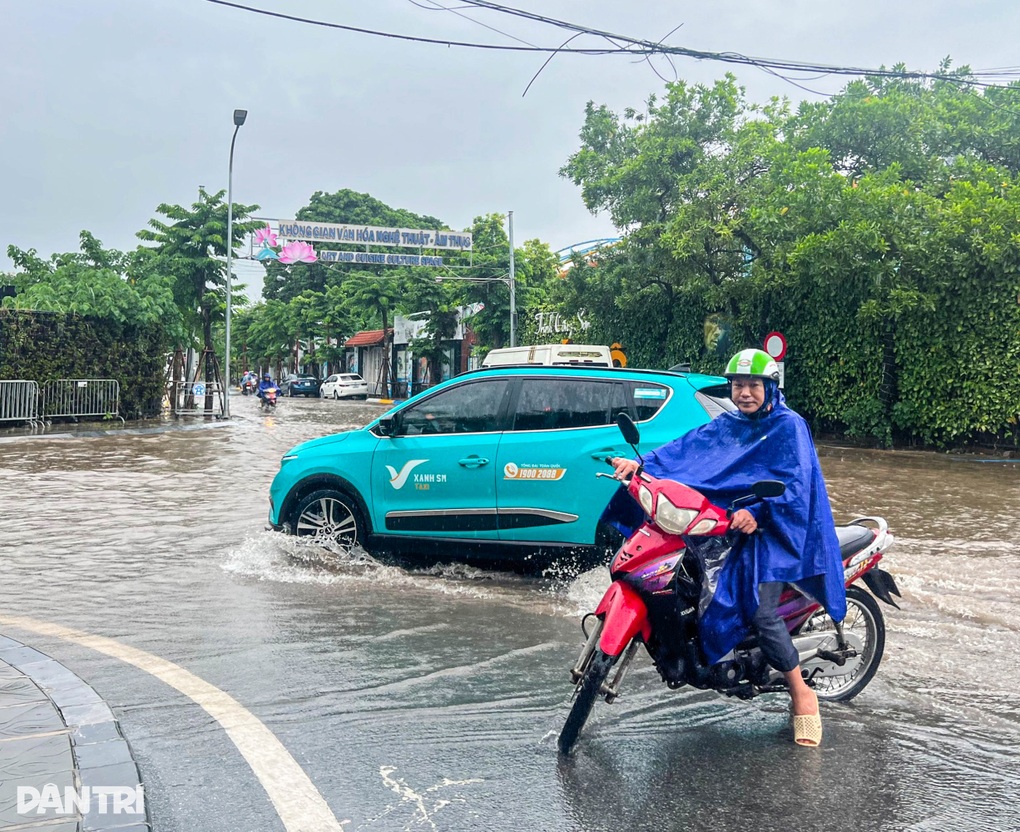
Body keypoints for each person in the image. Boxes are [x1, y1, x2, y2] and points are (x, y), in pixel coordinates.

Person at [609, 348, 846, 747]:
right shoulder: (730, 423)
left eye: (754, 385)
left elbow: (799, 485)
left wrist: (760, 511)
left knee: (759, 609)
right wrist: (642, 465)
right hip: (733, 524)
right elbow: (685, 451)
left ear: (770, 387)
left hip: (779, 531)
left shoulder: (789, 427)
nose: (745, 393)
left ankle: (801, 693)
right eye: (738, 385)